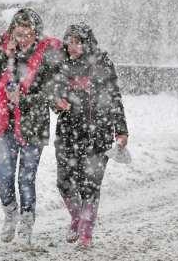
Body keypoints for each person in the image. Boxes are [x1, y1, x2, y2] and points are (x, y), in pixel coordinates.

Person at [0, 8, 63, 244]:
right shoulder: (5, 52)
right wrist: (3, 57)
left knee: (26, 178)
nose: (23, 36)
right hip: (3, 122)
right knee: (4, 175)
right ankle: (10, 214)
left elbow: (51, 94)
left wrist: (24, 100)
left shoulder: (46, 56)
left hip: (33, 125)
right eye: (19, 30)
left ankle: (27, 220)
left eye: (28, 31)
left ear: (35, 32)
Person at [53, 23, 129, 248]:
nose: (73, 46)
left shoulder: (102, 64)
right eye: (70, 41)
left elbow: (115, 98)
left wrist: (121, 131)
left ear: (89, 43)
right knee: (64, 181)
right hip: (68, 132)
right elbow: (52, 94)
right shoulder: (61, 65)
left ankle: (86, 231)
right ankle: (76, 218)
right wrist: (56, 103)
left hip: (99, 133)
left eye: (79, 42)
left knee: (90, 184)